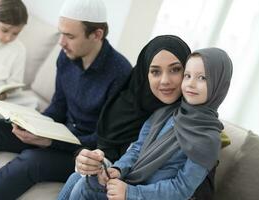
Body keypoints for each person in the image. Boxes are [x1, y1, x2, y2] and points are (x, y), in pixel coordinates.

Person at [0, 0, 131, 198]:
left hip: (85, 153)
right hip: (58, 134)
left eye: (70, 36)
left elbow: (104, 141)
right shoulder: (66, 56)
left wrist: (49, 142)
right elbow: (57, 108)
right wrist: (33, 124)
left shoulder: (121, 74)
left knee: (31, 160)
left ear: (96, 35)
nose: (61, 42)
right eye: (61, 33)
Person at [67, 47, 233, 200]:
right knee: (79, 177)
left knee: (85, 186)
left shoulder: (208, 138)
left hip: (147, 194)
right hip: (133, 182)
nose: (190, 83)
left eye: (202, 78)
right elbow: (138, 148)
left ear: (218, 84)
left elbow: (182, 189)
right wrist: (118, 169)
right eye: (187, 75)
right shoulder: (166, 112)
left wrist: (131, 193)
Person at [57, 35, 192, 200]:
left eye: (175, 69)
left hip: (144, 191)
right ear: (144, 73)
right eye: (155, 71)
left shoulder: (189, 120)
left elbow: (181, 184)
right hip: (120, 181)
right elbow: (113, 154)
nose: (165, 80)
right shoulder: (131, 103)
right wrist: (93, 161)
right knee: (77, 178)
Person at [0, 0, 38, 117]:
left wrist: (4, 95)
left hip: (1, 96)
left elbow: (15, 82)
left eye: (15, 33)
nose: (9, 37)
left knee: (33, 103)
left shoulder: (19, 49)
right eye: (4, 30)